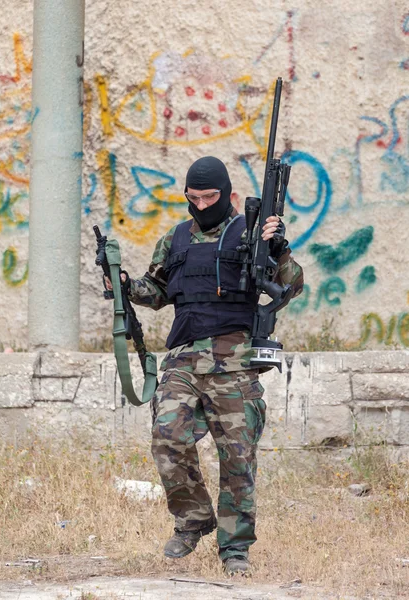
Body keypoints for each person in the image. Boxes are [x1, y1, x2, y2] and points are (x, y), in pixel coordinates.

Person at [106, 156, 303, 575]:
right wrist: (123, 285)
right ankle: (193, 519)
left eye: (208, 197)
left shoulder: (253, 234)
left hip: (233, 362)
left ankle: (235, 549)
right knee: (167, 438)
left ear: (228, 195)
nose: (200, 204)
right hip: (182, 358)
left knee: (237, 456)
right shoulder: (174, 239)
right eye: (192, 198)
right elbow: (155, 290)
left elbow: (292, 283)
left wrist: (278, 247)